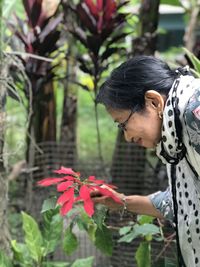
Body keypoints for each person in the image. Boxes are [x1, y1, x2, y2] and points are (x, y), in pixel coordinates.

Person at [91, 55, 200, 267]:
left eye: (123, 124)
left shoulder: (194, 114)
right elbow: (181, 202)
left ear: (153, 102)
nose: (127, 137)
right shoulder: (179, 128)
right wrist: (121, 201)